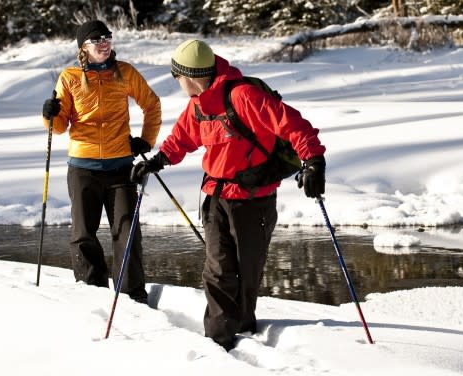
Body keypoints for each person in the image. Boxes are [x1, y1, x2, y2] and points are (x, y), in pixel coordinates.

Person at [131, 39, 326, 350]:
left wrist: (314, 161)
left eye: (177, 77)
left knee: (247, 270)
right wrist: (157, 162)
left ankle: (245, 329)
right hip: (216, 198)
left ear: (189, 75)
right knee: (218, 270)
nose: (178, 84)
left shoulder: (243, 96)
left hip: (253, 201)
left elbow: (293, 125)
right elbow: (182, 138)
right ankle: (218, 342)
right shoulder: (198, 104)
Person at [41, 20, 161, 304]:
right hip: (83, 168)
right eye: (97, 40)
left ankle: (132, 295)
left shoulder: (125, 73)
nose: (104, 43)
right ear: (84, 46)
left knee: (127, 231)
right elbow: (58, 127)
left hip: (121, 167)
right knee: (83, 234)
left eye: (108, 38)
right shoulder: (69, 78)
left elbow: (152, 104)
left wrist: (145, 140)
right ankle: (90, 292)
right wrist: (49, 114)